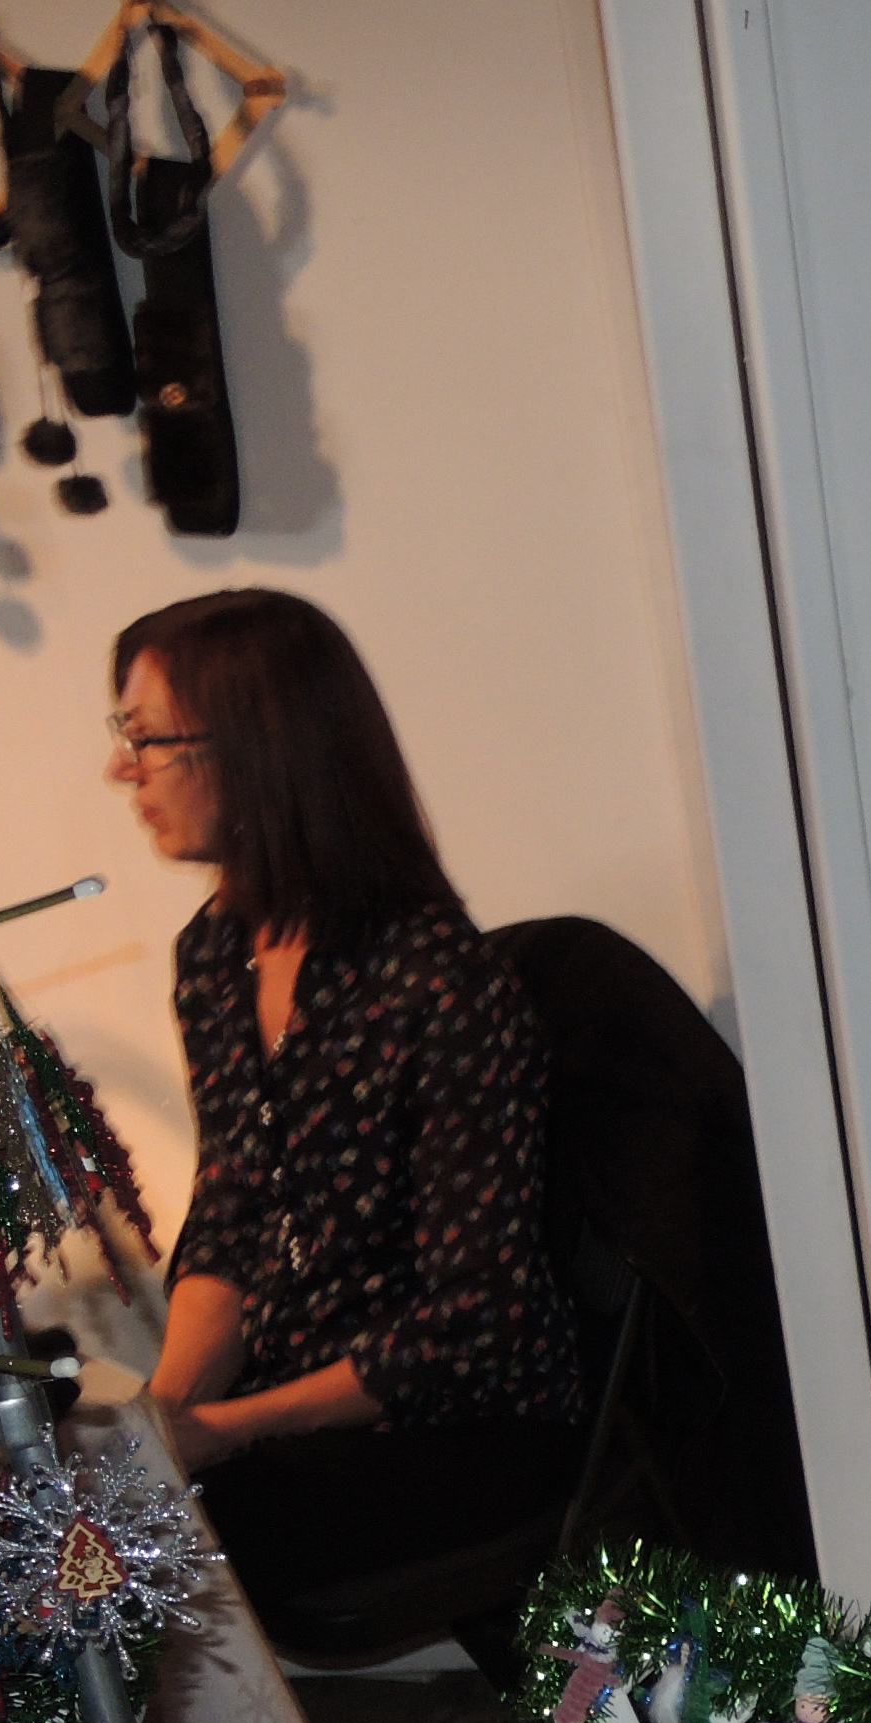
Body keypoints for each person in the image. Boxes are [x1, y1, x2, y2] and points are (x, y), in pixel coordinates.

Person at [107, 590, 582, 1612]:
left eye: (145, 741)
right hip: (296, 1404)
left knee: (136, 1555)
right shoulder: (217, 954)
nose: (121, 769)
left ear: (252, 750)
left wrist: (230, 1429)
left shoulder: (440, 982)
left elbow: (474, 1321)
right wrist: (166, 1411)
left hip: (462, 1425)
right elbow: (233, 1218)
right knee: (90, 1505)